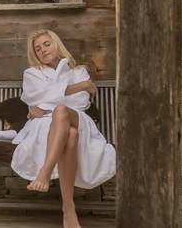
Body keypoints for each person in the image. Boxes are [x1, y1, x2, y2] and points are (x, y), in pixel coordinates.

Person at [11, 29, 116, 228]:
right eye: (38, 49)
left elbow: (80, 102)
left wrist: (44, 104)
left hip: (78, 118)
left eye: (46, 44)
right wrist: (81, 86)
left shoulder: (78, 71)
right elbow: (33, 97)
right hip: (46, 125)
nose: (43, 50)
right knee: (71, 134)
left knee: (62, 111)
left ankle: (44, 172)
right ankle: (69, 210)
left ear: (56, 44)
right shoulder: (32, 73)